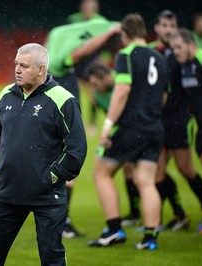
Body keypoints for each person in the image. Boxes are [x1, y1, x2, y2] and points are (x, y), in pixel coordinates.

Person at [0, 43, 87, 265]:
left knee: (52, 260)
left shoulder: (63, 99)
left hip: (47, 196)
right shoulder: (6, 94)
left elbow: (77, 148)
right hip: (6, 192)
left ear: (41, 69)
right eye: (16, 64)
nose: (17, 70)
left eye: (24, 66)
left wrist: (52, 175)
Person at [88, 14, 167, 250]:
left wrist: (108, 125)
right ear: (144, 31)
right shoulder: (160, 58)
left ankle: (114, 230)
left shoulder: (126, 55)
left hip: (131, 127)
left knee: (101, 173)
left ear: (124, 34)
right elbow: (163, 96)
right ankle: (150, 238)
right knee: (146, 182)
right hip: (155, 127)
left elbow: (122, 90)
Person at [47, 23, 120, 238]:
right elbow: (82, 50)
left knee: (62, 169)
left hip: (60, 120)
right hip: (64, 122)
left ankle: (58, 220)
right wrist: (107, 33)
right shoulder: (61, 62)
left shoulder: (56, 66)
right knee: (68, 169)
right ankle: (61, 222)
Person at [150, 10, 202, 231]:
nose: (168, 30)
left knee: (185, 168)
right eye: (164, 25)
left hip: (178, 119)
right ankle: (178, 214)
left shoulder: (186, 55)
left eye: (172, 26)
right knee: (156, 174)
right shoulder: (153, 53)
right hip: (159, 120)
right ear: (156, 28)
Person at [169, 28, 202, 236]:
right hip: (201, 128)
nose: (176, 52)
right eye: (173, 48)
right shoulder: (183, 68)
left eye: (179, 47)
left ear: (190, 43)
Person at [88, 63, 141, 226]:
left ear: (105, 78)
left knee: (140, 175)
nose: (94, 88)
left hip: (136, 131)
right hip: (119, 133)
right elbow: (95, 105)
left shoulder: (122, 83)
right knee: (129, 171)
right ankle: (135, 214)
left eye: (96, 84)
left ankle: (118, 224)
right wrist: (92, 123)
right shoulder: (98, 93)